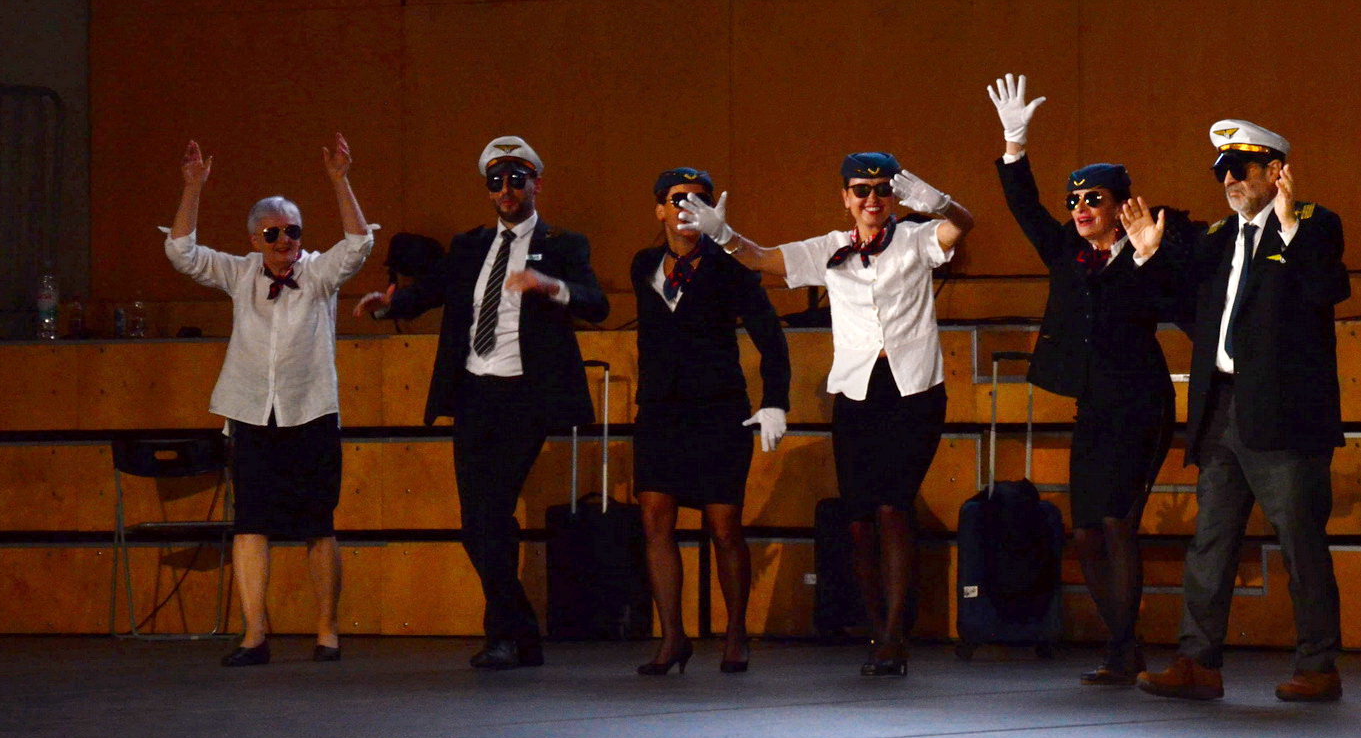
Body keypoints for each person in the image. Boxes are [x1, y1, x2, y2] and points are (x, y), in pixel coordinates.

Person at [680, 152, 972, 676]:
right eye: (861, 190)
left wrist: (939, 202)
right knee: (858, 520)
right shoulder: (830, 248)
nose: (872, 199)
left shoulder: (914, 238)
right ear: (845, 197)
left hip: (913, 390)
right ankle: (877, 629)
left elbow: (960, 228)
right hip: (857, 392)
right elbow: (761, 258)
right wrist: (722, 235)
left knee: (893, 507)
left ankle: (894, 637)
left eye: (882, 190)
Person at [355, 137, 608, 670]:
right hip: (474, 391)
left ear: (536, 183)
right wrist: (388, 305)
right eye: (496, 182)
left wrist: (550, 285)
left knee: (492, 511)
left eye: (517, 179)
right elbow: (431, 290)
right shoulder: (469, 245)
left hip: (525, 394)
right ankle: (521, 632)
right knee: (477, 521)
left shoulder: (563, 244)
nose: (506, 190)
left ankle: (505, 636)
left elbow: (597, 303)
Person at [1139, 121, 1350, 703]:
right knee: (1210, 541)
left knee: (1300, 543)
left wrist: (1288, 224)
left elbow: (1327, 289)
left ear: (1276, 172)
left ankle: (1319, 666)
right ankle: (1197, 662)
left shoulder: (1314, 224)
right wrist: (1150, 256)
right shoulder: (1216, 238)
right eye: (1222, 172)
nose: (1229, 180)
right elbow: (1188, 310)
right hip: (1222, 409)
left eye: (1241, 169)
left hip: (1284, 416)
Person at [985, 74, 1183, 685]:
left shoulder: (1151, 249)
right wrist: (1015, 146)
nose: (1080, 210)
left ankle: (1127, 647)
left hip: (1142, 403)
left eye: (1093, 199)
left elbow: (1177, 299)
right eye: (1074, 201)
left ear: (1122, 205)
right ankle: (1120, 643)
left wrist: (1149, 254)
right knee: (1087, 531)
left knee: (1118, 521)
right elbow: (1025, 207)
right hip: (1094, 405)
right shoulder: (1068, 255)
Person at [163, 133, 374, 667]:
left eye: (292, 231)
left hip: (311, 411)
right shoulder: (240, 273)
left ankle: (327, 631)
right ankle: (255, 633)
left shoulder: (319, 273)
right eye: (273, 233)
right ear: (255, 239)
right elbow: (181, 252)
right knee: (250, 523)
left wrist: (340, 180)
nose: (285, 241)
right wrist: (193, 188)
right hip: (253, 412)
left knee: (317, 525)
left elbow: (359, 245)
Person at [630, 167, 791, 675]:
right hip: (659, 410)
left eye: (698, 199)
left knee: (723, 525)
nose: (687, 208)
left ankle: (736, 633)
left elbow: (770, 336)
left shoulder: (729, 266)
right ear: (659, 209)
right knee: (655, 519)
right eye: (677, 199)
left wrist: (775, 401)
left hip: (717, 411)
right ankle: (673, 638)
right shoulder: (643, 265)